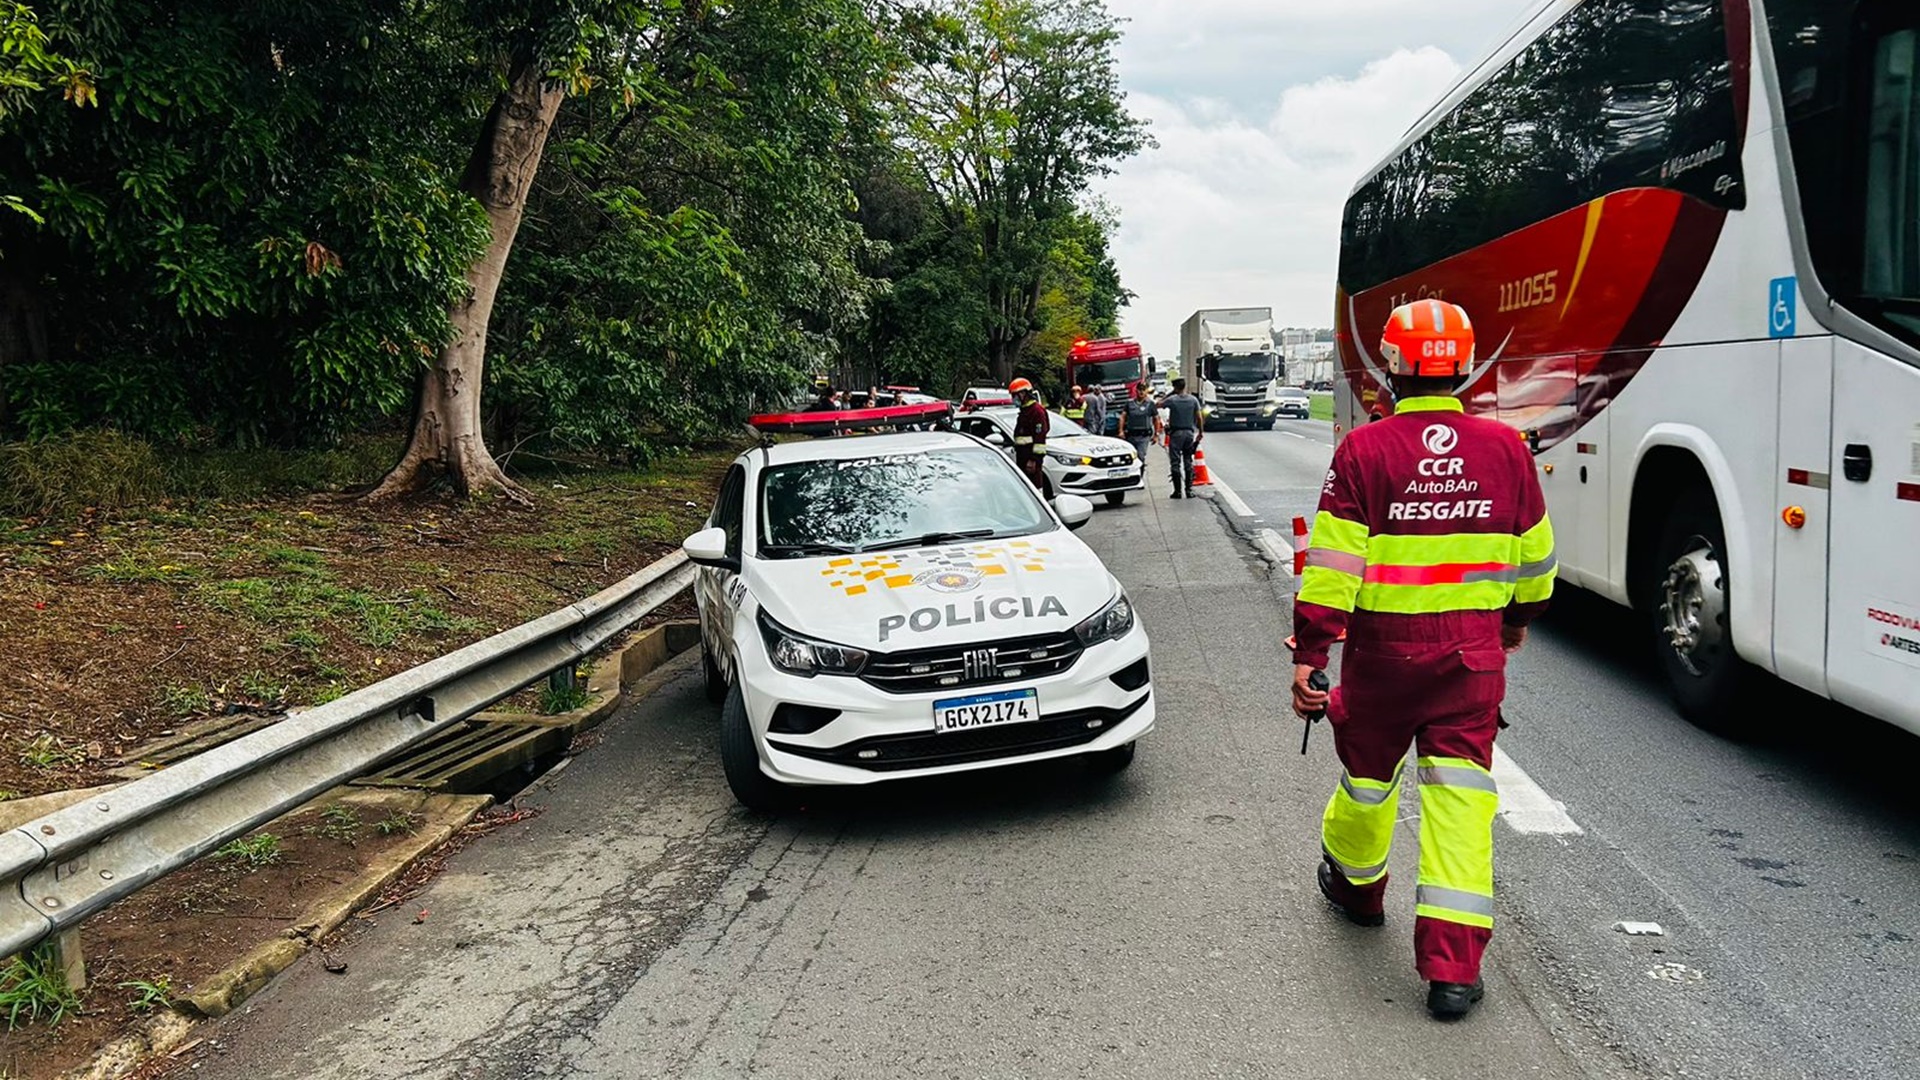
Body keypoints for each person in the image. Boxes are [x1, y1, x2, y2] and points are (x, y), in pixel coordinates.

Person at [1291, 298, 1557, 1022]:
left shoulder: (1364, 451)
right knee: (1461, 805)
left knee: (1370, 783)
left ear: (1393, 367)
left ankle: (1356, 890)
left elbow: (1333, 568)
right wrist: (1514, 623)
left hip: (1381, 662)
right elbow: (1537, 563)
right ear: (1466, 366)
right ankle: (1452, 973)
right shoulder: (1506, 451)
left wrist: (1312, 653)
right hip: (1471, 662)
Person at [1010, 377, 1052, 498]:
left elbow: (1040, 439)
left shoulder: (1036, 411)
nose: (1014, 399)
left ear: (1023, 393)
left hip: (1030, 459)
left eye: (1015, 395)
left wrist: (1034, 460)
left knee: (1035, 489)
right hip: (1022, 457)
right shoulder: (1025, 411)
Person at [1161, 377, 1203, 498]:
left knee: (1175, 463)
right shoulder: (1193, 400)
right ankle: (1189, 490)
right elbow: (1199, 418)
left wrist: (1169, 394)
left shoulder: (1172, 400)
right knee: (1188, 461)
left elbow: (1157, 405)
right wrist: (1200, 432)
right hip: (1189, 434)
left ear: (1175, 388)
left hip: (1176, 434)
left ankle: (1177, 491)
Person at [1118, 382, 1159, 469]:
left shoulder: (1150, 404)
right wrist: (1121, 431)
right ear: (1136, 391)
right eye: (1140, 390)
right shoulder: (1129, 403)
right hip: (1131, 435)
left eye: (1143, 390)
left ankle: (1140, 474)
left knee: (1140, 456)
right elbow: (1122, 417)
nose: (1141, 392)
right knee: (1131, 457)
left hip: (1144, 436)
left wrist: (1156, 434)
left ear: (1146, 391)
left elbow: (1156, 419)